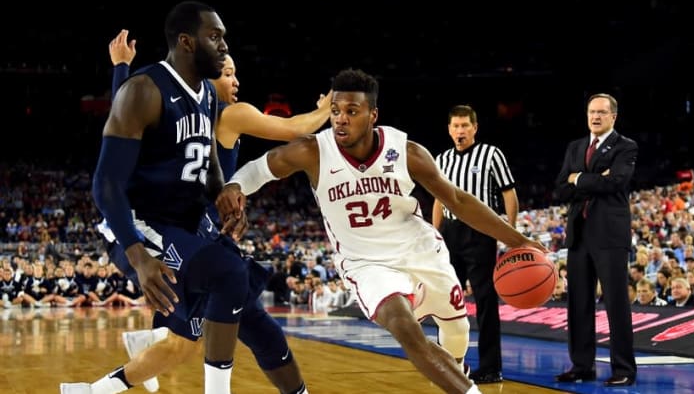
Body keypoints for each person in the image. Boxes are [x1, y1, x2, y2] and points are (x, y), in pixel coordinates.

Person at [216, 68, 547, 394]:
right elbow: (261, 167)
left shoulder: (406, 152)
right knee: (407, 330)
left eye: (351, 111)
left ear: (373, 115)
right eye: (335, 111)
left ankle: (456, 370)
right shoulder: (314, 151)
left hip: (419, 249)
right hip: (365, 263)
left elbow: (458, 200)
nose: (340, 119)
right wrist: (234, 185)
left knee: (457, 329)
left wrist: (518, 239)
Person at [61, 25, 331, 394]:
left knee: (205, 337)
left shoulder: (192, 114)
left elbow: (127, 113)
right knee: (209, 316)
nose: (236, 80)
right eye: (229, 73)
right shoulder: (230, 114)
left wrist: (121, 68)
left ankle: (99, 384)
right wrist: (326, 110)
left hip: (199, 228)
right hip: (171, 227)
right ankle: (161, 345)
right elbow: (292, 128)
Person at [74, 1, 267, 394]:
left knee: (188, 334)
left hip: (185, 223)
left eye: (225, 39)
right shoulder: (144, 89)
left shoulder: (208, 97)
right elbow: (105, 184)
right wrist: (137, 254)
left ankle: (95, 390)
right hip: (142, 224)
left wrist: (222, 193)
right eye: (215, 37)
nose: (224, 47)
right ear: (186, 42)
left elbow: (208, 162)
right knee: (229, 275)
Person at [553, 93, 638, 386]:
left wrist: (579, 179)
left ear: (614, 116)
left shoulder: (626, 146)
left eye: (602, 112)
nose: (595, 117)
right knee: (578, 303)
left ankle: (624, 369)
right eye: (591, 112)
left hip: (610, 235)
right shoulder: (575, 147)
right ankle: (581, 366)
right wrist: (590, 180)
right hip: (579, 234)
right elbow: (560, 190)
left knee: (616, 303)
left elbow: (616, 182)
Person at [431, 104, 518, 384]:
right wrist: (435, 235)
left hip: (481, 231)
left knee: (485, 300)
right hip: (451, 231)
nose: (460, 131)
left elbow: (509, 193)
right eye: (455, 126)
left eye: (465, 126)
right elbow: (437, 200)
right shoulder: (442, 159)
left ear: (475, 128)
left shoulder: (491, 154)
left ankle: (491, 367)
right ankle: (450, 363)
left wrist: (510, 231)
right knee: (447, 301)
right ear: (448, 129)